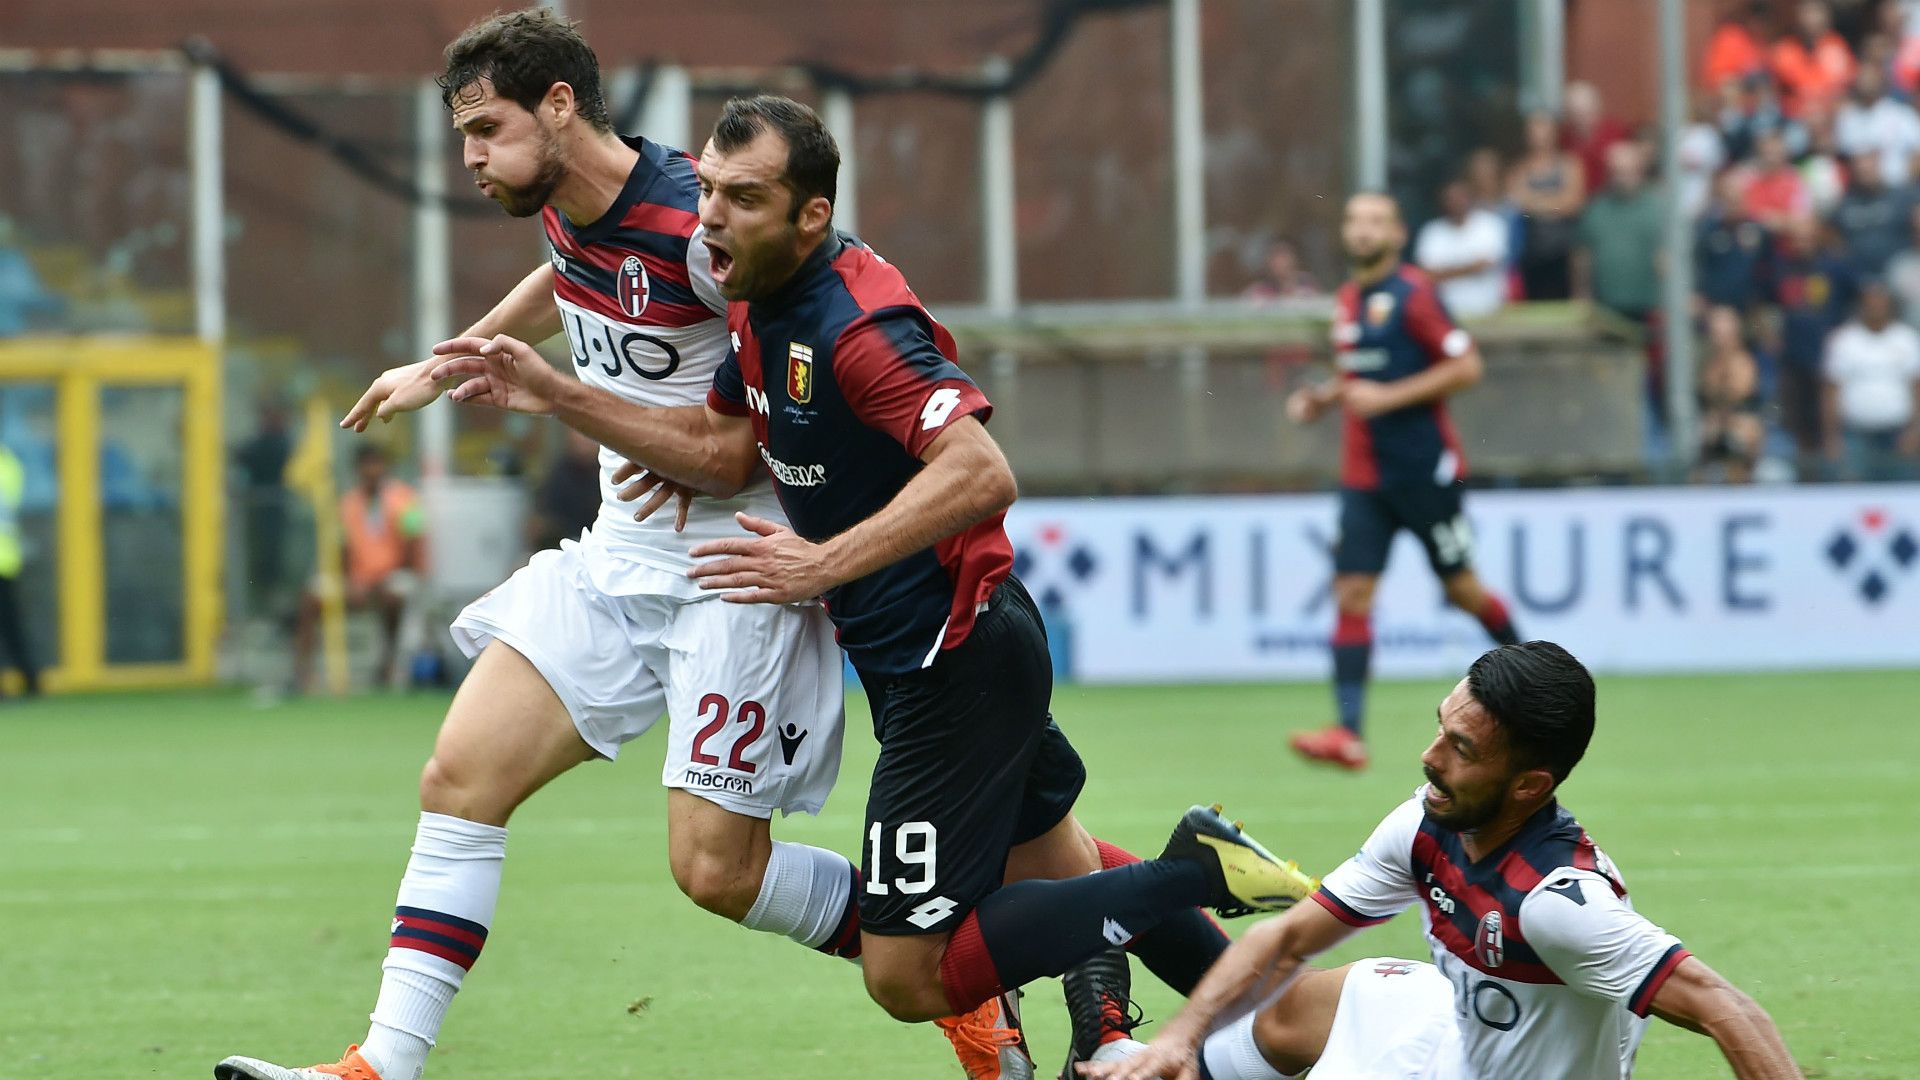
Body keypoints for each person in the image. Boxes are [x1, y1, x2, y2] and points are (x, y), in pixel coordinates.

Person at [421, 92, 1319, 1077]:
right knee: (1057, 869)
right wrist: (590, 410)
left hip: (952, 664)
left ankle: (1190, 871)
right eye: (709, 192)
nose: (711, 217)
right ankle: (1273, 1025)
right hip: (941, 654)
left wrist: (819, 563)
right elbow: (723, 453)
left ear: (811, 215)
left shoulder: (852, 326)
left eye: (743, 199)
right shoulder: (760, 295)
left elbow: (981, 471)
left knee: (906, 976)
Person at [222, 14, 883, 1080]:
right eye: (464, 136)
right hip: (617, 561)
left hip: (734, 574)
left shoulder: (700, 230)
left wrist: (583, 402)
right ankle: (379, 1067)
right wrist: (447, 364)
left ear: (562, 106)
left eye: (487, 129)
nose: (473, 158)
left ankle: (953, 966)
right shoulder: (573, 207)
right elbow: (567, 273)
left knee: (717, 875)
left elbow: (763, 410)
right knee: (458, 777)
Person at [1077, 641, 1803, 1080]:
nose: (1429, 758)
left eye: (1462, 749)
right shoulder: (1426, 824)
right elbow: (1285, 937)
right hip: (1457, 1032)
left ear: (1529, 786)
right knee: (1296, 1007)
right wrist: (1180, 1036)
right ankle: (1138, 1057)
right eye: (1440, 728)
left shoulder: (1556, 904)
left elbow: (1729, 1010)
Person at [1283, 193, 1520, 772]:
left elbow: (1466, 367)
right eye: (1354, 220)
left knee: (1463, 590)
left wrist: (1387, 398)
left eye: (1375, 222)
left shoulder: (1415, 294)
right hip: (1365, 477)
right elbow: (1359, 373)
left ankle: (1533, 669)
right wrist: (1324, 399)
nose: (1362, 231)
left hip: (1422, 471)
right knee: (1353, 594)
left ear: (1397, 233)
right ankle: (1348, 732)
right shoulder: (1347, 300)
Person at [290, 444, 424, 693]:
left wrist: (388, 577)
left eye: (377, 463)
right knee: (311, 597)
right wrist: (349, 580)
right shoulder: (348, 503)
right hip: (357, 580)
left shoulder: (405, 498)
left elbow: (413, 543)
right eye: (366, 464)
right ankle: (303, 674)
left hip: (392, 576)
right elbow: (341, 548)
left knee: (393, 595)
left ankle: (388, 666)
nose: (372, 470)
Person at [1764, 214, 1858, 470]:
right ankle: (1807, 476)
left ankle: (1834, 474)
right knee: (1798, 425)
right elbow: (1766, 304)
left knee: (1830, 425)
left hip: (1828, 358)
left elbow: (1857, 297)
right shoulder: (1781, 267)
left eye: (1806, 236)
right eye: (1796, 237)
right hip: (1793, 358)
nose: (1801, 242)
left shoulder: (1834, 267)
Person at [1823, 280, 1920, 479]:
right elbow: (1831, 391)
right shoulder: (1844, 340)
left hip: (1897, 434)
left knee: (1900, 498)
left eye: (1880, 302)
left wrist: (1915, 431)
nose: (1875, 307)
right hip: (1855, 434)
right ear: (1861, 305)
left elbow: (1916, 389)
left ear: (1890, 305)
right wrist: (1832, 437)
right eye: (1870, 302)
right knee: (1852, 497)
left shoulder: (1907, 339)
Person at [1575, 142, 1665, 324]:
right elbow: (1582, 256)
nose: (1621, 177)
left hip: (1649, 307)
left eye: (1627, 171)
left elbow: (1670, 259)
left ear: (1640, 171)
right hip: (1605, 306)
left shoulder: (1659, 208)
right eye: (1616, 172)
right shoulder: (1595, 209)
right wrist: (1581, 297)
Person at [1507, 112, 1586, 300]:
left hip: (1562, 252)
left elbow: (1573, 204)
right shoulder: (1519, 168)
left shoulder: (1569, 165)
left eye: (1544, 131)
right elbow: (1517, 204)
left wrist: (1536, 204)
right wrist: (1554, 203)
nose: (1539, 137)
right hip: (1531, 253)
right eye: (1534, 132)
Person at [1413, 180, 1509, 319]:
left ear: (1470, 199)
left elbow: (1486, 264)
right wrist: (1471, 267)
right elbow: (1426, 274)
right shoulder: (1432, 230)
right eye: (1450, 199)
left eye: (1460, 197)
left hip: (1488, 309)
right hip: (1444, 311)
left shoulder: (1490, 224)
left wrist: (1444, 272)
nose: (1456, 203)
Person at [1697, 305, 1768, 483]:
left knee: (1743, 435)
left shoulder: (1743, 361)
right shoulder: (1708, 362)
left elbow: (1738, 393)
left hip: (1739, 423)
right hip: (1715, 423)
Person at [1696, 168, 1773, 312]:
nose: (1733, 207)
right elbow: (1700, 263)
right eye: (1729, 202)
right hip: (1716, 306)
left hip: (1753, 305)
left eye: (1737, 201)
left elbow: (1769, 266)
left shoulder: (1758, 231)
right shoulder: (1710, 230)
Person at [1830, 150, 1915, 276]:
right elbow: (1832, 236)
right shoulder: (1844, 204)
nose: (1865, 172)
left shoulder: (1902, 196)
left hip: (1900, 268)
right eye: (1861, 170)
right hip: (1858, 273)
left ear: (1878, 166)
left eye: (1869, 169)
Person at [0, 440, 42, 699]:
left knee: (11, 626)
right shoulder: (9, 463)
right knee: (12, 626)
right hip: (7, 558)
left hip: (5, 557)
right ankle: (32, 682)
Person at [1835, 65, 1920, 184]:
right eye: (1863, 78)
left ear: (1881, 80)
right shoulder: (1846, 117)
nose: (1866, 83)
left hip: (1899, 187)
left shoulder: (1900, 114)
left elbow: (1917, 151)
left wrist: (1907, 181)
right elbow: (1844, 159)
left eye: (1871, 78)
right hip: (1862, 191)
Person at [1771, 0, 1857, 118]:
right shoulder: (1784, 50)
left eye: (1816, 12)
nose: (1811, 19)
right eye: (1807, 12)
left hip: (1831, 118)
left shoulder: (1838, 47)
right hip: (1796, 118)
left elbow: (1845, 88)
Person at [524, 427, 602, 553]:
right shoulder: (559, 472)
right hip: (562, 545)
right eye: (579, 436)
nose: (583, 442)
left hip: (599, 547)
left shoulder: (608, 475)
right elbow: (542, 517)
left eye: (588, 437)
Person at [1701, 0, 1774, 94]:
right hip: (1726, 93)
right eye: (1758, 23)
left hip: (1753, 96)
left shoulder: (1761, 44)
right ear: (1749, 20)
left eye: (1764, 24)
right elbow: (1716, 79)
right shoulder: (1730, 37)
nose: (1760, 28)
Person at [1240, 238, 1323, 303]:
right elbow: (1239, 305)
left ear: (1293, 260)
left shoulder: (1306, 284)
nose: (1279, 263)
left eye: (1283, 257)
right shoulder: (1259, 290)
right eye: (1274, 258)